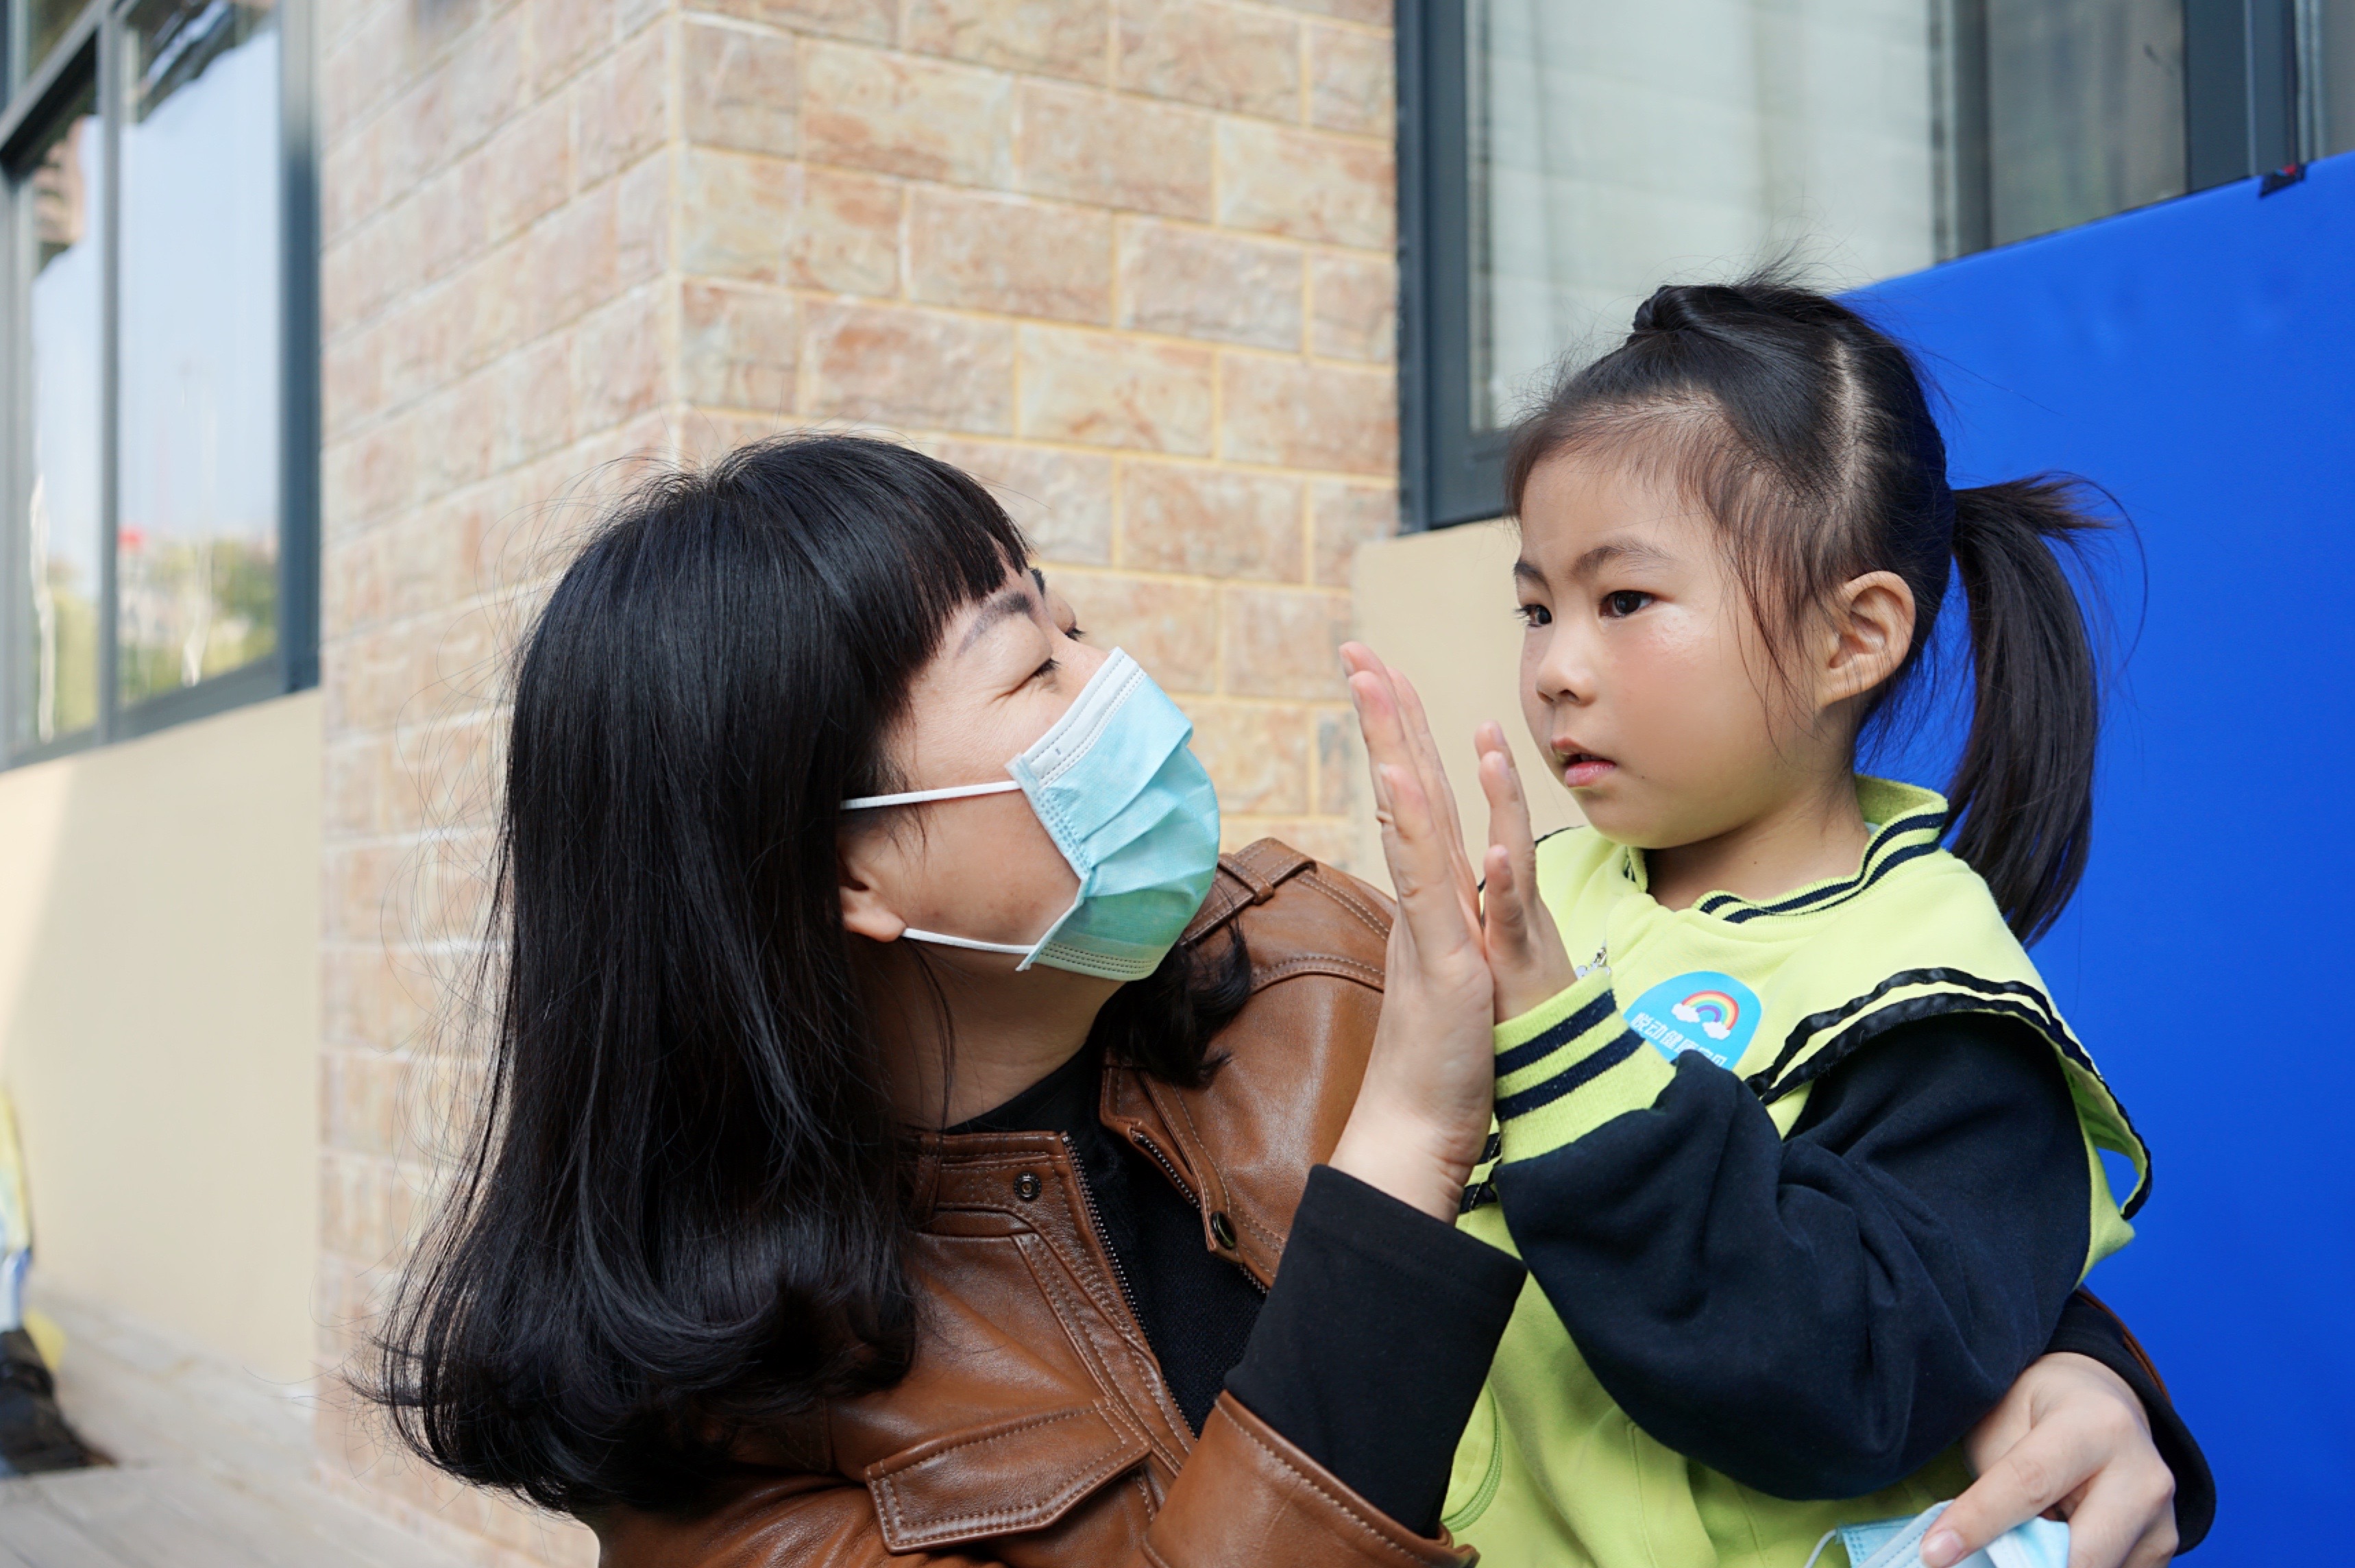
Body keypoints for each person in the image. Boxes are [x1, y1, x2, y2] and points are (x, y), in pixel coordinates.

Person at [370, 434, 2208, 1568]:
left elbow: (1770, 1237)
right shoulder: (720, 1455)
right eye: (1033, 670)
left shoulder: (1307, 949)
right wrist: (1404, 1149)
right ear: (848, 873)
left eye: (1072, 621)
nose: (1119, 690)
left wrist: (2074, 1378)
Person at [1349, 277, 2180, 1567]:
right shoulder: (1540, 894)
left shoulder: (1937, 998)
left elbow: (1847, 1375)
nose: (1557, 665)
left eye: (1623, 602)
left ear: (1853, 638)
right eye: (1537, 606)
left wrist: (1569, 1063)